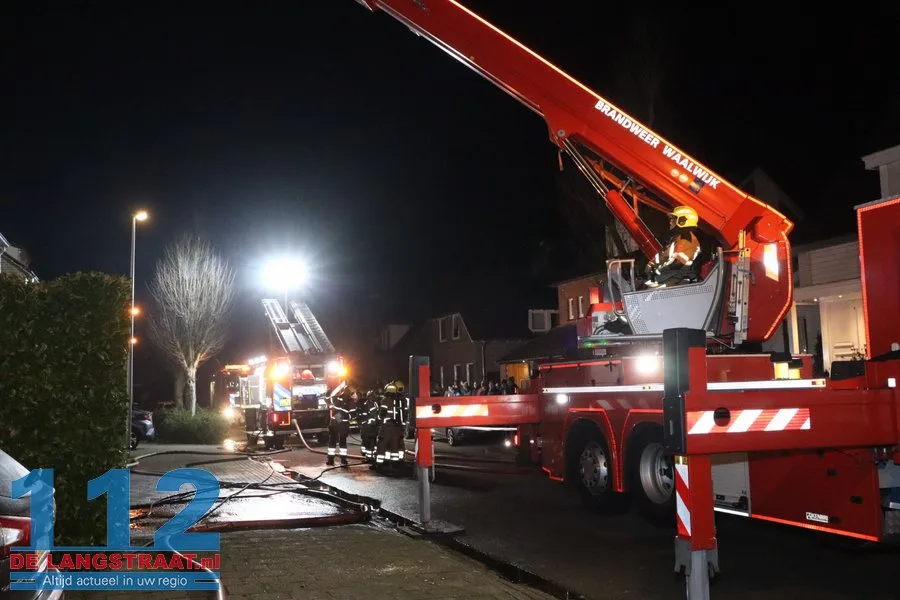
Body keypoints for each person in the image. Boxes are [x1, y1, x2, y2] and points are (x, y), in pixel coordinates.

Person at [645, 206, 702, 288]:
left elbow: (676, 264)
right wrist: (651, 264)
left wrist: (656, 272)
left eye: (673, 219)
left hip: (682, 281)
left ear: (682, 221)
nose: (670, 222)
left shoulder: (687, 240)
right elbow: (664, 255)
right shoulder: (677, 238)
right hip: (675, 278)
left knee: (649, 292)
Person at [375, 380, 405, 467]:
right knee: (395, 445)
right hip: (398, 428)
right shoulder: (401, 400)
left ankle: (379, 463)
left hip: (387, 427)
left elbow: (382, 413)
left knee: (382, 444)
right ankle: (395, 463)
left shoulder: (385, 400)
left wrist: (378, 420)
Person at [326, 386, 354, 467]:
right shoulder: (351, 402)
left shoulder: (337, 399)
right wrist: (344, 418)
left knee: (332, 441)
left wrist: (328, 393)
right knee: (342, 442)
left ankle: (330, 460)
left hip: (334, 423)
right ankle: (343, 460)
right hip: (343, 424)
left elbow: (328, 400)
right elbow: (353, 415)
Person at [358, 390, 380, 462]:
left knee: (368, 443)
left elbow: (374, 415)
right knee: (372, 442)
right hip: (371, 427)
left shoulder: (370, 404)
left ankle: (369, 458)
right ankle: (372, 456)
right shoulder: (373, 403)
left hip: (368, 427)